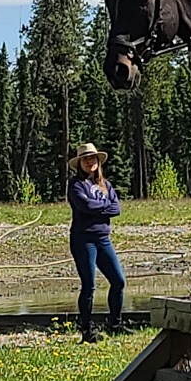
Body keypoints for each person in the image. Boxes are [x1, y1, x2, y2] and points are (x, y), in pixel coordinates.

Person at [67, 142, 126, 341]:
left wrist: (98, 208)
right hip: (83, 240)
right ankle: (86, 330)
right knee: (89, 286)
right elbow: (85, 206)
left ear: (98, 162)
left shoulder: (105, 184)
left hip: (103, 239)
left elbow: (116, 209)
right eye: (86, 159)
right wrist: (104, 206)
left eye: (93, 158)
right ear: (80, 163)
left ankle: (115, 324)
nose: (90, 162)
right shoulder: (75, 185)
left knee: (118, 281)